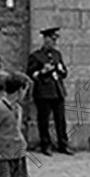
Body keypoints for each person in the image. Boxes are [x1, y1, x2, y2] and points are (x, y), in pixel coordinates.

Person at [27, 27, 72, 156]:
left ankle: (63, 144)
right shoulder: (36, 56)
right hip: (43, 92)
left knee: (60, 120)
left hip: (58, 91)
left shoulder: (57, 55)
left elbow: (64, 73)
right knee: (44, 120)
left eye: (55, 40)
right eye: (51, 39)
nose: (53, 42)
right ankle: (45, 145)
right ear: (45, 39)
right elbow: (31, 74)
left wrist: (60, 69)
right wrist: (43, 71)